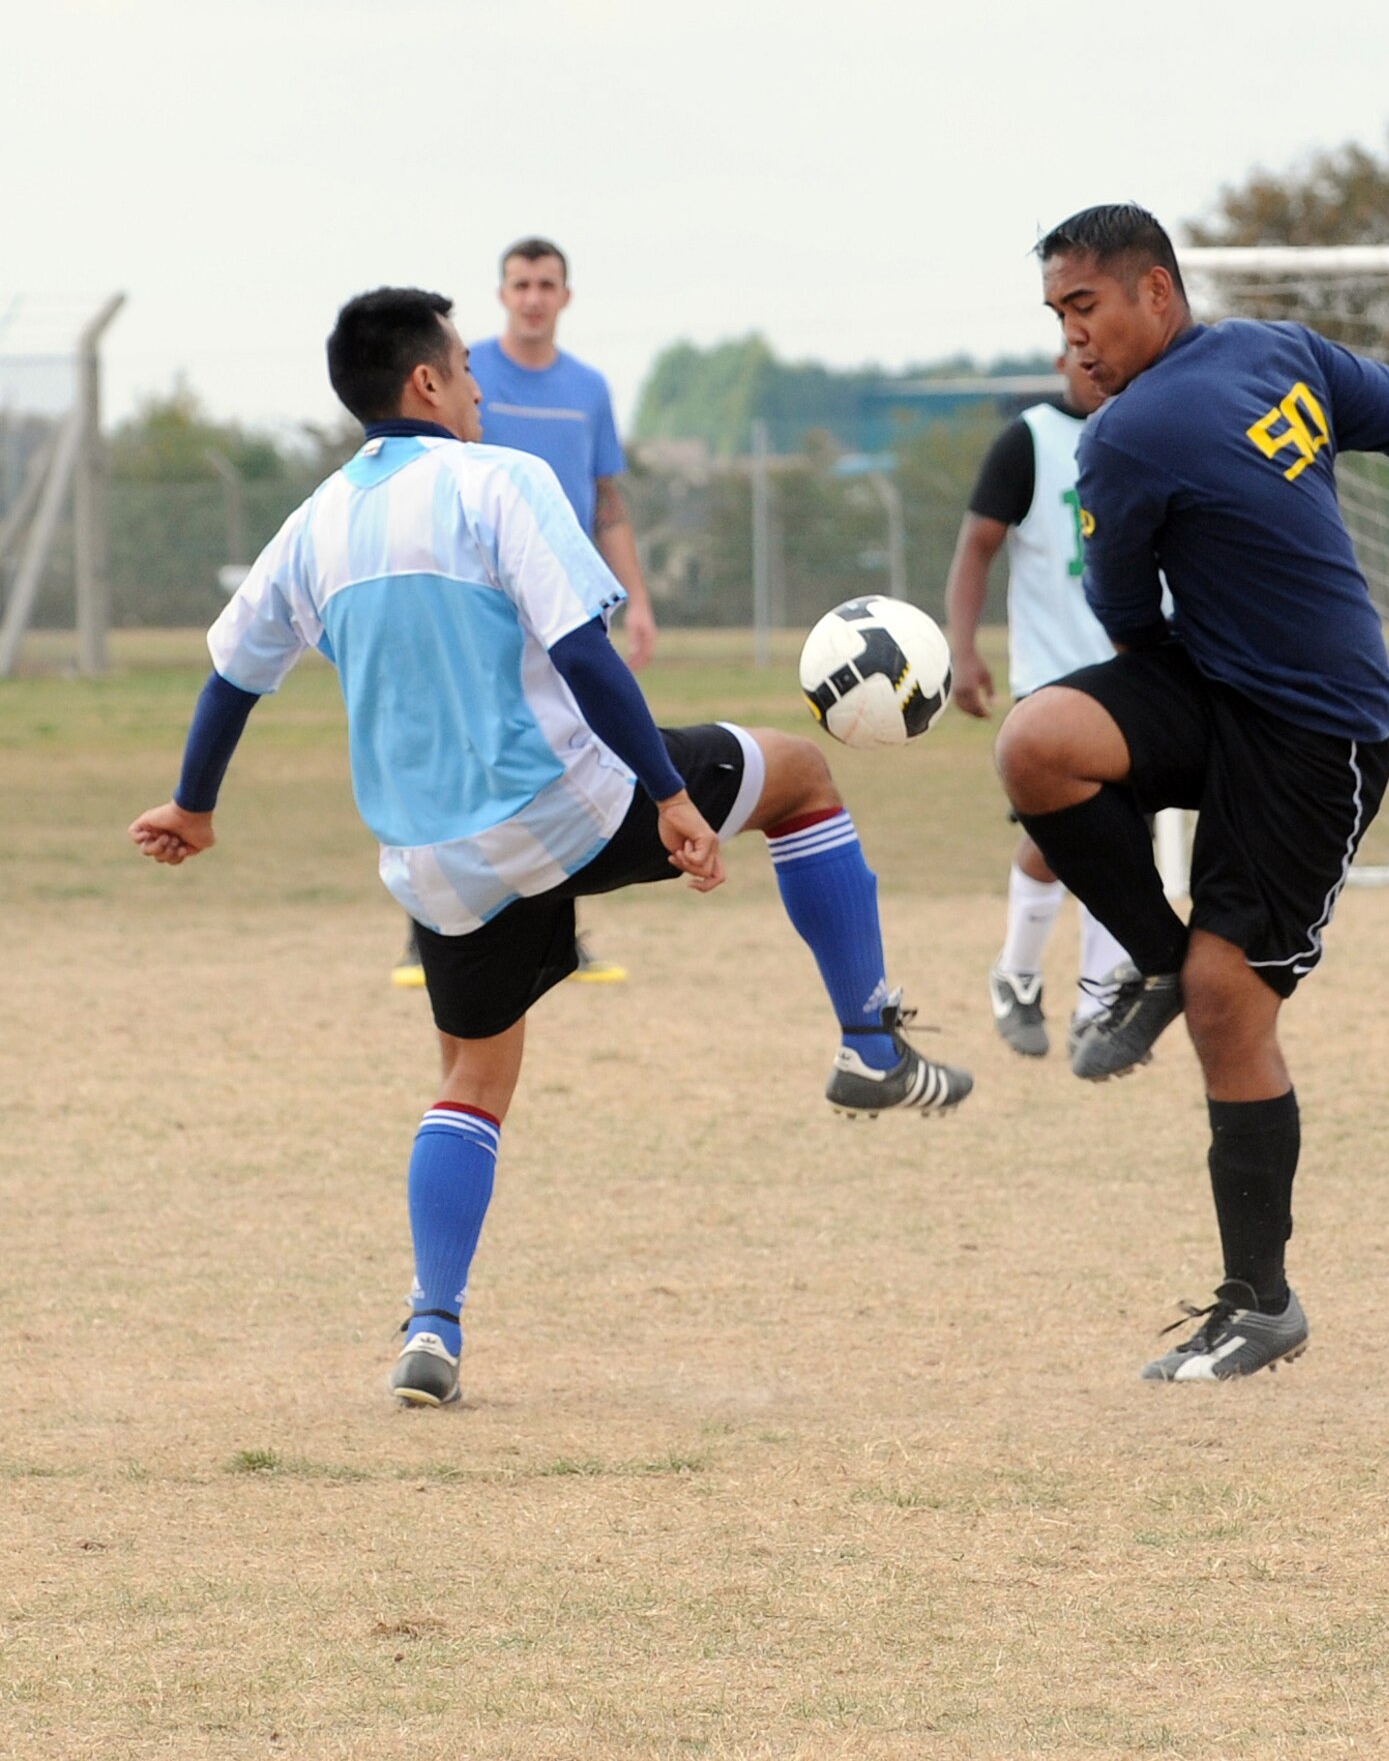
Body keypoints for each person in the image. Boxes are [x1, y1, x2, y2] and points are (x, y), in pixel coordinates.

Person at [130, 287, 972, 1411]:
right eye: (466, 367)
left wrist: (193, 804)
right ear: (426, 382)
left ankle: (432, 1326)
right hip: (573, 802)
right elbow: (583, 649)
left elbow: (232, 677)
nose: (481, 386)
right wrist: (667, 794)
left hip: (434, 861)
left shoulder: (315, 521)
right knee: (804, 776)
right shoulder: (502, 481)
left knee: (472, 1081)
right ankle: (868, 1043)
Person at [994, 204, 1389, 1383]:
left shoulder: (1130, 434)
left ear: (1155, 294)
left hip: (1314, 733)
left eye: (1084, 307)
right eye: (1056, 316)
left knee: (1228, 1003)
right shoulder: (1273, 348)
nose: (1071, 338)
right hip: (1219, 686)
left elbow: (1129, 618)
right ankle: (1149, 958)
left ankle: (1259, 1301)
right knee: (1038, 742)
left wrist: (1157, 721)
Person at [391, 236, 648, 990]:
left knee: (573, 757)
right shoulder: (468, 377)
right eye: (520, 284)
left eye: (546, 284)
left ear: (565, 296)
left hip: (563, 603)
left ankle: (560, 938)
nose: (533, 296)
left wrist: (638, 601)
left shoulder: (589, 388)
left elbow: (608, 505)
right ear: (501, 295)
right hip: (480, 601)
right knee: (462, 753)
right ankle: (429, 931)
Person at [944, 351, 1134, 1058]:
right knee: (1061, 838)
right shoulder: (1028, 440)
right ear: (1061, 358)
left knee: (1123, 835)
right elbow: (976, 546)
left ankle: (1099, 999)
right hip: (1052, 675)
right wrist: (962, 651)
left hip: (1138, 668)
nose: (1093, 360)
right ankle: (1016, 975)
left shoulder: (1150, 428)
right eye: (1075, 344)